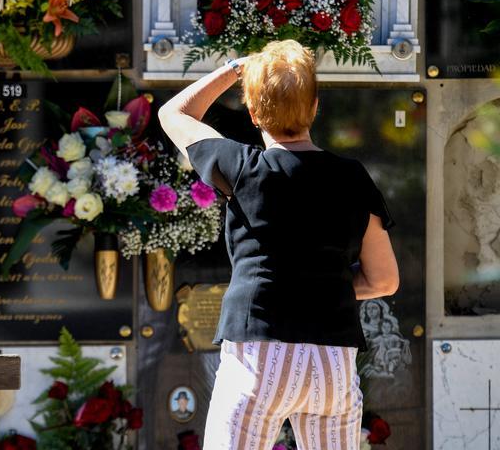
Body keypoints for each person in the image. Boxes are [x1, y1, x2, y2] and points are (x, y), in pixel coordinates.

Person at [159, 40, 399, 450]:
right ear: (315, 107)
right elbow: (383, 280)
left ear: (253, 113)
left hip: (259, 355)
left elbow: (173, 114)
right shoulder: (353, 177)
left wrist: (237, 68)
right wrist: (325, 287)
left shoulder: (242, 167)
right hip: (332, 363)